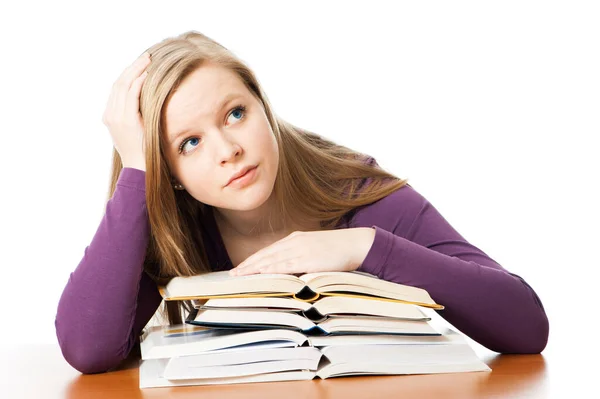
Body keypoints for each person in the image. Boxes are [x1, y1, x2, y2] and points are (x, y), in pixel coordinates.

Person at [55, 30, 549, 375]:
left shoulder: (356, 192)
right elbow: (88, 348)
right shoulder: (171, 227)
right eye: (189, 143)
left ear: (263, 107)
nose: (229, 151)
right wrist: (137, 171)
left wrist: (367, 247)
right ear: (171, 174)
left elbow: (526, 326)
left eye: (234, 113)